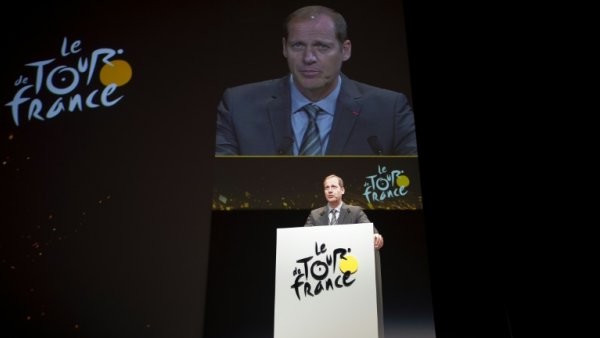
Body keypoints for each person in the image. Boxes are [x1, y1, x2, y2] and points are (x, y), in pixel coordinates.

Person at [215, 5, 417, 156]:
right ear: (285, 48)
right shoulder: (239, 106)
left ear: (345, 50)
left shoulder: (389, 110)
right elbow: (223, 186)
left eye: (321, 46)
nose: (309, 57)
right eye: (298, 46)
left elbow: (411, 186)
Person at [305, 174, 383, 249]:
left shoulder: (355, 212)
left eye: (334, 187)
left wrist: (376, 236)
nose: (330, 191)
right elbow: (303, 237)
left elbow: (370, 231)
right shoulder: (315, 215)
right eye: (326, 188)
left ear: (342, 190)